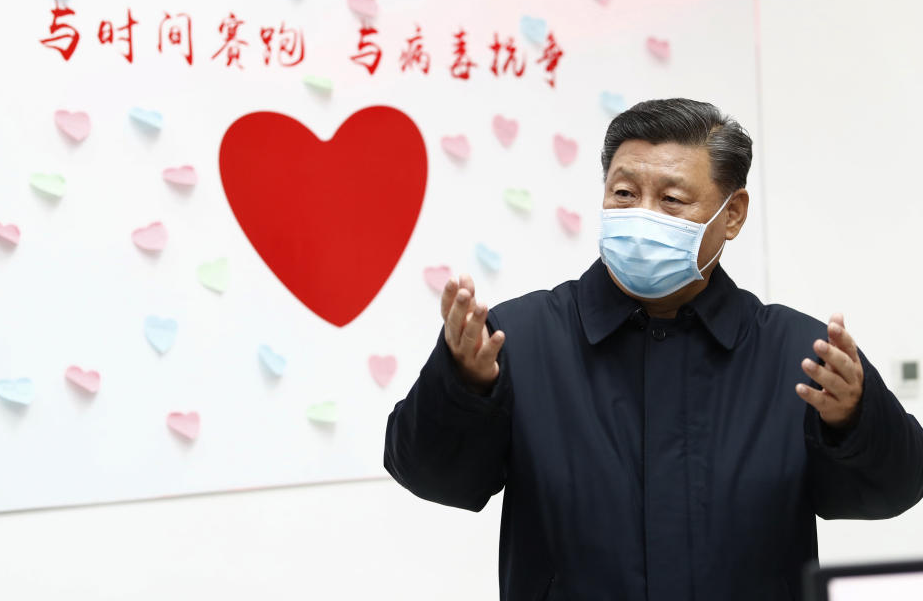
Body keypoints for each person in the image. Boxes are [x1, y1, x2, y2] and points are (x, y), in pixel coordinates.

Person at [383, 98, 923, 600]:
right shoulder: (520, 339)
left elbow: (894, 490)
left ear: (731, 214)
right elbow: (431, 476)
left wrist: (852, 420)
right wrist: (465, 386)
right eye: (624, 193)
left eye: (671, 199)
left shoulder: (798, 355)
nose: (642, 215)